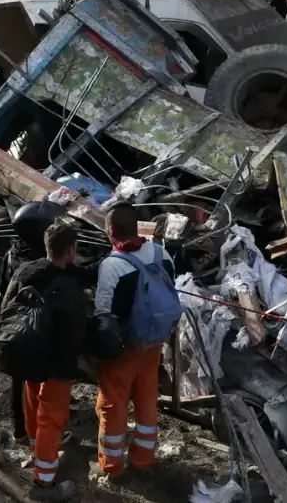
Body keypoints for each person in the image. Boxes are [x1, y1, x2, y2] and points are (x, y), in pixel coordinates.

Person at [0, 222, 90, 502]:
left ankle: (36, 448)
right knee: (51, 419)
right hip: (56, 364)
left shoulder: (26, 271)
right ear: (71, 251)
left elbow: (6, 307)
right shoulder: (68, 290)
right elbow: (76, 336)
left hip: (29, 355)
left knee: (32, 406)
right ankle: (44, 484)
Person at [94, 203, 175, 479]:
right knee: (147, 399)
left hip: (124, 348)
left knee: (113, 406)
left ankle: (111, 466)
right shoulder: (161, 253)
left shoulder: (113, 265)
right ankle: (143, 460)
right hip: (153, 343)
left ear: (110, 231)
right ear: (137, 227)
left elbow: (104, 314)